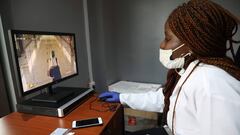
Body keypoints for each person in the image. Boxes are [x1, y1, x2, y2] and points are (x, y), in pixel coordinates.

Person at [99, 0, 240, 135]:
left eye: (167, 39)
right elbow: (165, 99)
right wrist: (123, 98)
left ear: (190, 44)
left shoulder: (211, 83)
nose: (162, 45)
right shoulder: (192, 70)